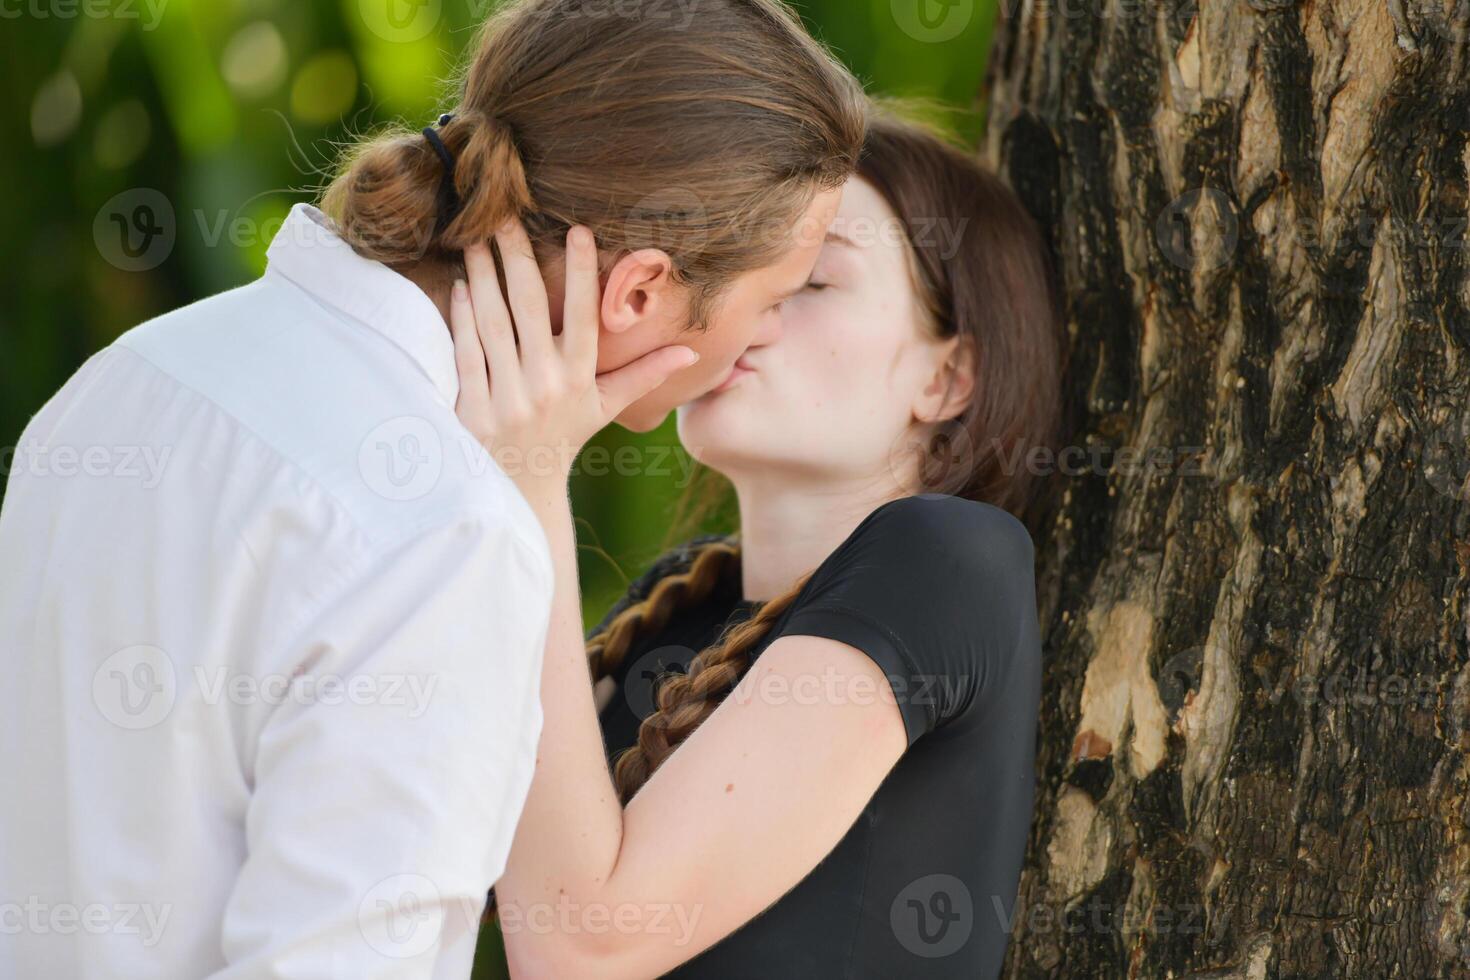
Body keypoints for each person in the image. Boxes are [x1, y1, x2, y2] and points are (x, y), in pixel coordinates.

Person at [0, 1, 863, 976]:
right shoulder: (444, 529)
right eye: (775, 296)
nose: (766, 336)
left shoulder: (128, 378)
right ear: (638, 293)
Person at [455, 112, 1065, 978]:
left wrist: (531, 475)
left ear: (946, 377)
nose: (749, 312)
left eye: (809, 281)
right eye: (744, 270)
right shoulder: (684, 600)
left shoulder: (951, 559)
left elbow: (581, 947)